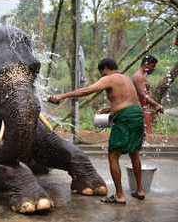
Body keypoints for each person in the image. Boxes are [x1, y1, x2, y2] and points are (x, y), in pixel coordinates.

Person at [48, 58, 145, 204]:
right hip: (137, 114)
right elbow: (128, 101)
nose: (102, 76)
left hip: (125, 118)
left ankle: (119, 195)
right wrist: (110, 110)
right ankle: (140, 190)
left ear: (105, 69)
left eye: (101, 73)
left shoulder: (109, 78)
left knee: (113, 155)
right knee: (134, 153)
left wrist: (63, 96)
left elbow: (87, 90)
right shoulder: (126, 78)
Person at [132, 55, 163, 142]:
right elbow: (143, 95)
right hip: (139, 110)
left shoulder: (143, 76)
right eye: (152, 66)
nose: (154, 69)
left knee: (146, 136)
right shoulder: (138, 77)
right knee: (145, 137)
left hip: (144, 110)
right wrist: (156, 105)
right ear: (146, 65)